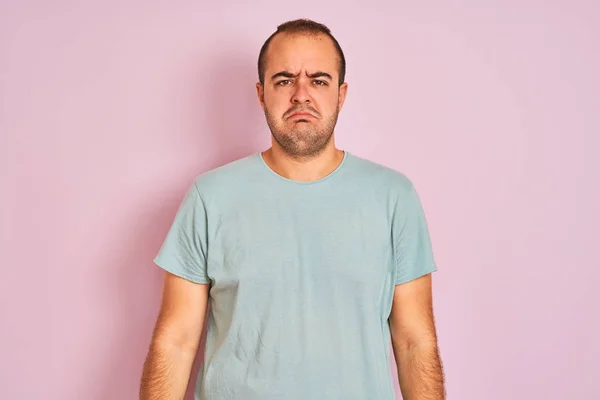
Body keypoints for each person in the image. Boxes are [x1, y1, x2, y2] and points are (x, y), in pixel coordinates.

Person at [140, 18, 445, 400]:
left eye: (319, 80)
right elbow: (176, 340)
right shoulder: (210, 196)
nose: (301, 94)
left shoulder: (393, 196)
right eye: (284, 80)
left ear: (341, 93)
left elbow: (415, 341)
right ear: (261, 93)